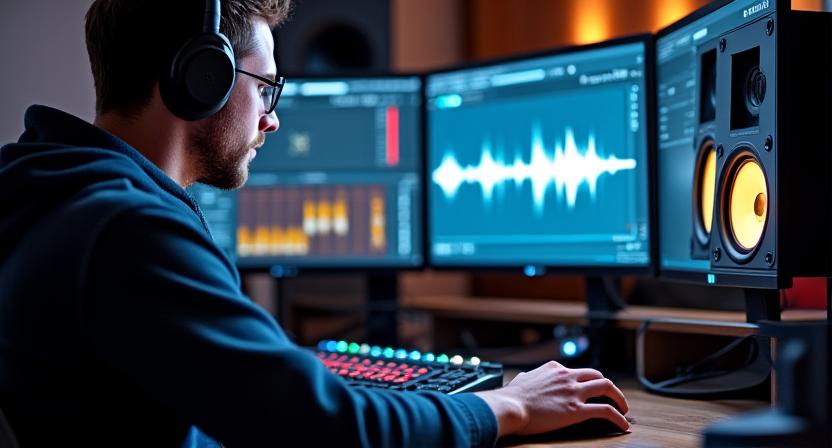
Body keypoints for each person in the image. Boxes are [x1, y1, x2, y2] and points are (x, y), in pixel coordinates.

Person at [0, 0, 630, 446]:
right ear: (201, 78)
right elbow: (321, 424)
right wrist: (508, 404)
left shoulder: (50, 191)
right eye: (266, 88)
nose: (272, 119)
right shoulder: (126, 229)